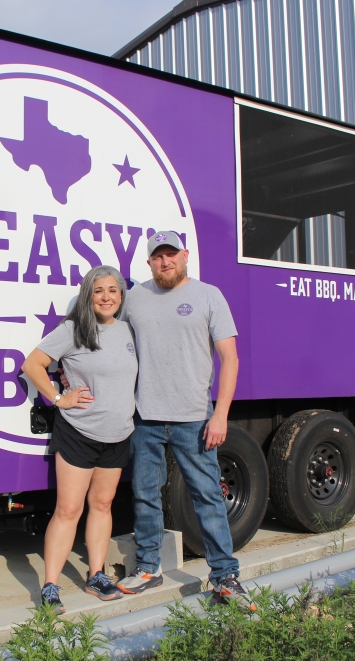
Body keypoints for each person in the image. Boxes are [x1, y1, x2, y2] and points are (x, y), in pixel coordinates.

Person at [112, 231, 245, 602]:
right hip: (146, 418)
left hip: (194, 418)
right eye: (158, 256)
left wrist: (220, 415)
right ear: (149, 262)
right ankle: (149, 567)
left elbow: (230, 358)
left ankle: (225, 576)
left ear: (185, 256)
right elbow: (111, 338)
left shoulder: (208, 295)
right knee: (144, 494)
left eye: (172, 254)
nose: (165, 261)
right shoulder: (135, 298)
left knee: (207, 497)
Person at [21, 265, 138, 614]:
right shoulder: (74, 329)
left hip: (118, 434)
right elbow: (33, 364)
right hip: (78, 433)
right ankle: (51, 586)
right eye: (99, 290)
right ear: (88, 295)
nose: (106, 297)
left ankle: (96, 575)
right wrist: (59, 399)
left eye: (113, 290)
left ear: (121, 295)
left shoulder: (130, 331)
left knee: (102, 506)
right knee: (68, 510)